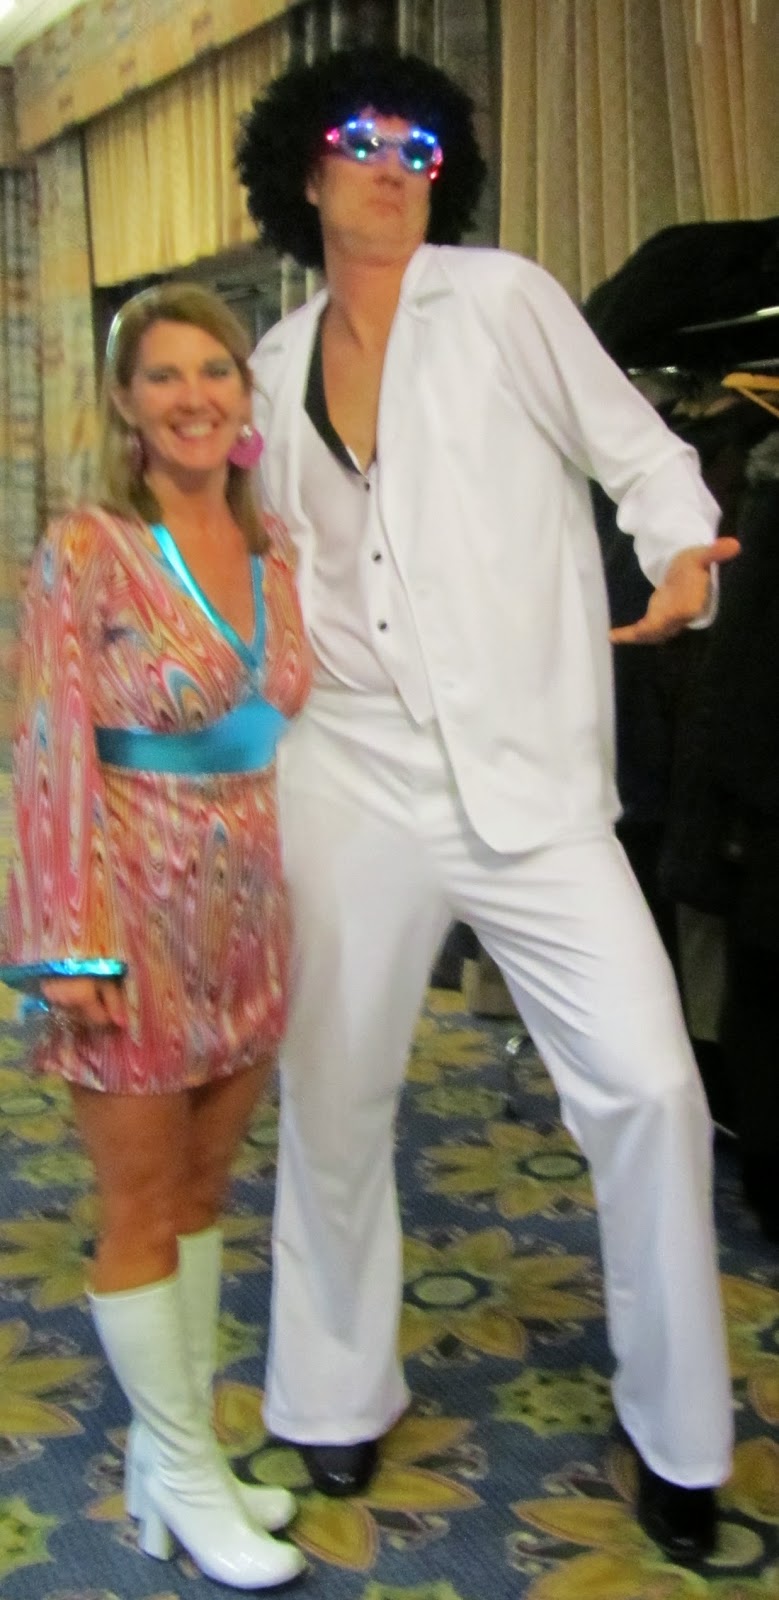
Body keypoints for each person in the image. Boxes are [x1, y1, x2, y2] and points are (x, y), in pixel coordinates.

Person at [236, 49, 737, 1566]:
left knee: (650, 1089)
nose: (394, 165)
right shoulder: (273, 358)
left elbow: (641, 453)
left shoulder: (505, 299)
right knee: (333, 1096)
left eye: (420, 147)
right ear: (305, 172)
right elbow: (267, 558)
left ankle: (679, 1433)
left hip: (526, 774)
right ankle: (333, 1389)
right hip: (349, 771)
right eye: (361, 140)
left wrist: (683, 551)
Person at [0, 284, 310, 1591]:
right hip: (125, 910)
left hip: (247, 911)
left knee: (200, 1195)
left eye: (216, 372)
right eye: (166, 376)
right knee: (136, 1203)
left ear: (245, 397)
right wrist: (66, 946)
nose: (196, 397)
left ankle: (176, 1461)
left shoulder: (273, 547)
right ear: (127, 405)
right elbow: (41, 743)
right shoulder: (89, 546)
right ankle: (181, 1472)